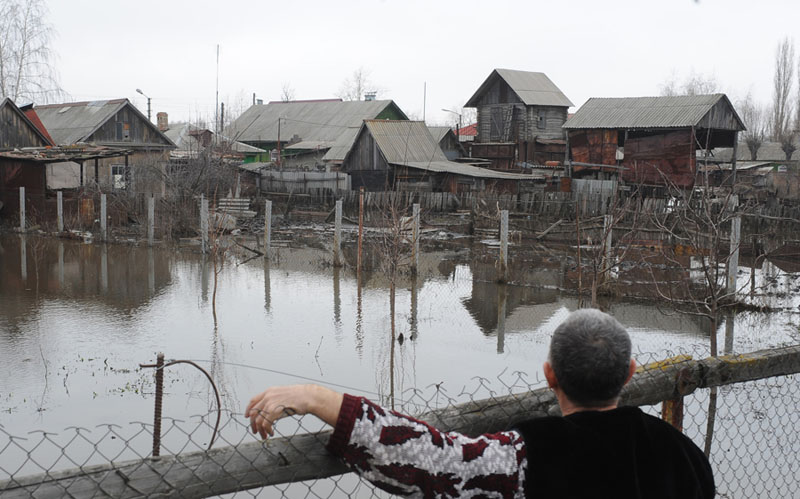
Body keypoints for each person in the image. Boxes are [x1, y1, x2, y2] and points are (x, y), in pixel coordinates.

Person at [246, 308, 715, 498]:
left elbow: (426, 456)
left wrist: (316, 397)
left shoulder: (524, 456)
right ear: (630, 375)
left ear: (549, 374)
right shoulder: (686, 456)